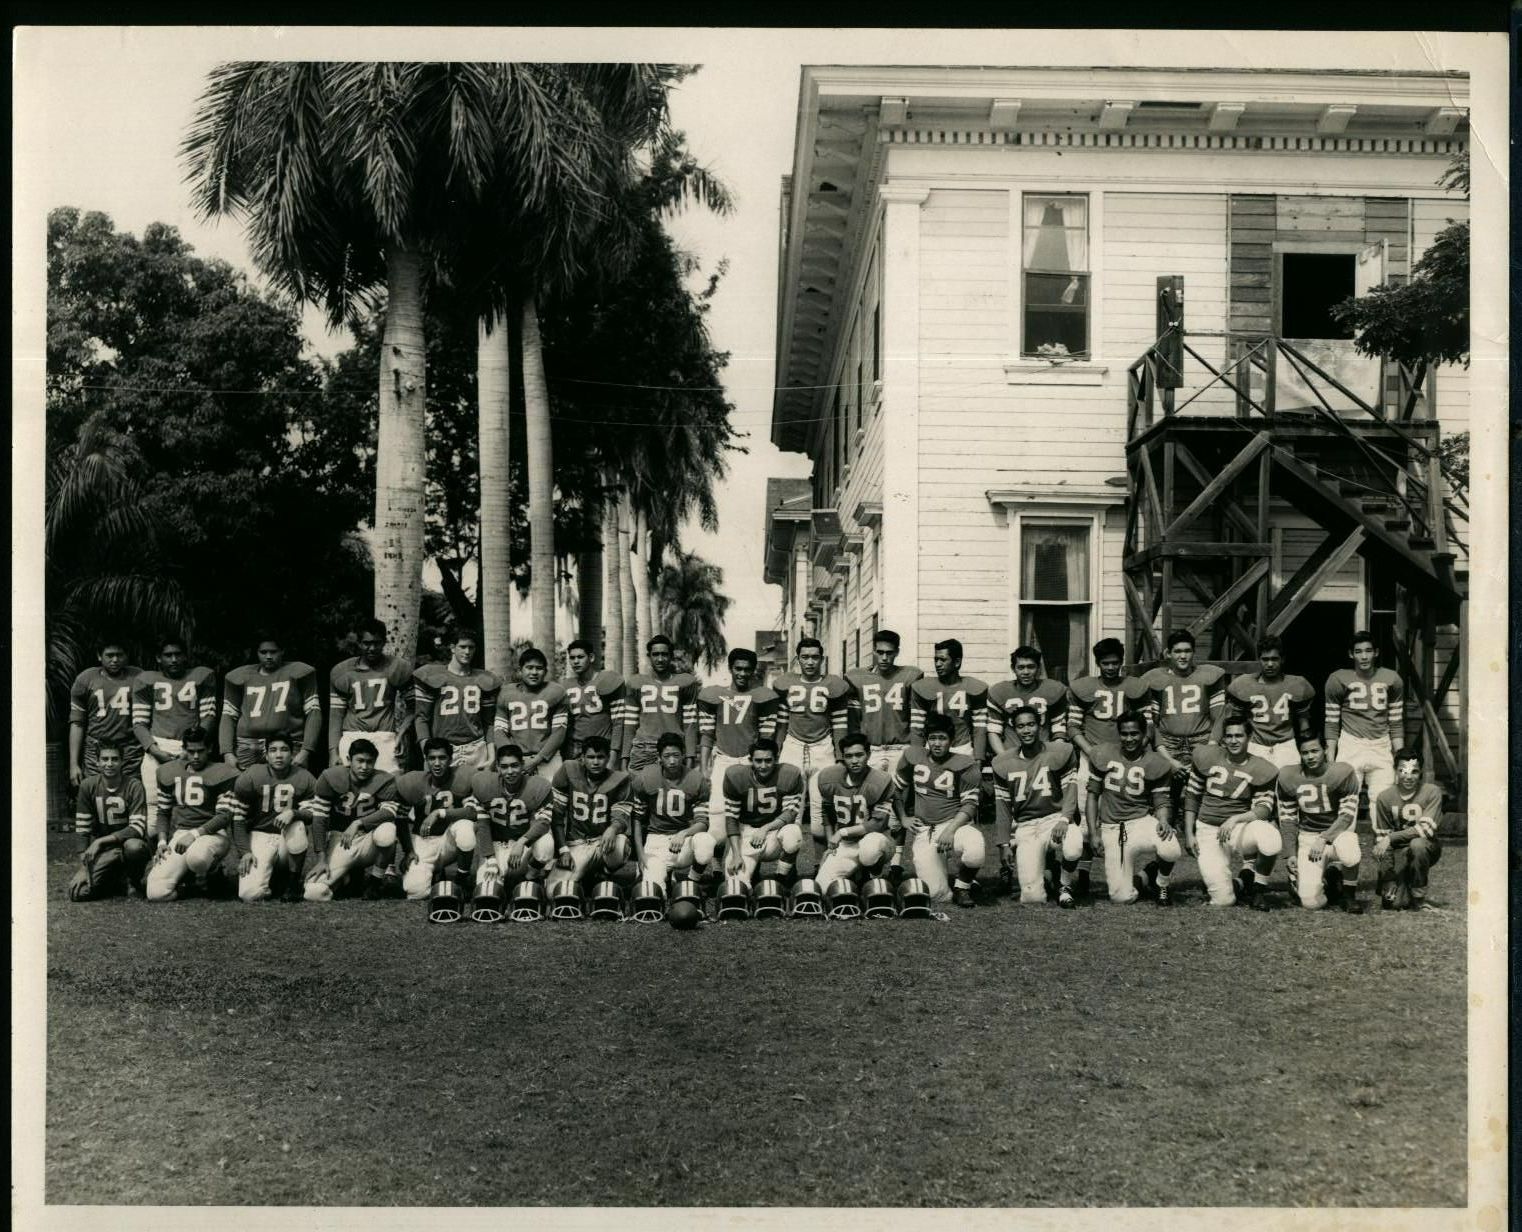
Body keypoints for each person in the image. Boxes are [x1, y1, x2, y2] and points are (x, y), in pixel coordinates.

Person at [1067, 639, 1149, 896]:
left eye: (1115, 662)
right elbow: (1073, 727)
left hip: (1124, 761)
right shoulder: (1084, 688)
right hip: (1091, 758)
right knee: (1086, 816)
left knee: (1120, 816)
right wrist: (1092, 752)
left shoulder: (1134, 688)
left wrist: (1133, 754)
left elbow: (1148, 726)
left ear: (1121, 661)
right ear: (1098, 663)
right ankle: (1083, 872)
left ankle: (1127, 869)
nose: (1111, 668)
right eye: (1106, 663)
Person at [1180, 716, 1282, 909]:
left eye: (1239, 735)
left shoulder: (1261, 767)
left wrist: (1235, 819)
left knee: (1271, 838)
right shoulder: (1206, 757)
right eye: (1229, 736)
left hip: (1238, 829)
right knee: (1223, 901)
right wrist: (1188, 833)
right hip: (1208, 829)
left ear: (1249, 737)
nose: (1233, 741)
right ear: (1223, 738)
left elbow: (1264, 808)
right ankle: (1242, 881)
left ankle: (1258, 890)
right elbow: (1192, 796)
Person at [989, 706, 1082, 908]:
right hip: (1026, 825)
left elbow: (1070, 790)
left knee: (1074, 845)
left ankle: (1065, 886)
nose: (1026, 730)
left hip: (1054, 818)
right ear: (1014, 729)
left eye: (1031, 724)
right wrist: (1004, 844)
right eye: (1021, 726)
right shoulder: (1003, 762)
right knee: (1032, 898)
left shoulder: (1060, 751)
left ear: (1040, 726)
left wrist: (1065, 819)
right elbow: (1003, 807)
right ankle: (1050, 872)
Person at [1084, 712, 1180, 906]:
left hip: (1140, 822)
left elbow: (1161, 800)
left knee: (1171, 848)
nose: (1129, 739)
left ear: (1145, 734)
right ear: (1118, 734)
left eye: (1134, 733)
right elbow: (1092, 796)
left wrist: (1162, 820)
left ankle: (1162, 884)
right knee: (1121, 897)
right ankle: (1147, 875)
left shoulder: (1156, 762)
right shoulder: (1103, 754)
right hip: (1112, 828)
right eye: (1124, 734)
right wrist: (1094, 833)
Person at [894, 713, 985, 908]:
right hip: (925, 829)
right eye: (932, 738)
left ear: (951, 740)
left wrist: (950, 831)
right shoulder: (913, 755)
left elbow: (970, 804)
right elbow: (895, 789)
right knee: (937, 895)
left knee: (976, 849)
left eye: (942, 738)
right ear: (926, 739)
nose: (937, 743)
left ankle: (963, 886)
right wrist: (903, 817)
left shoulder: (965, 763)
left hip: (955, 825)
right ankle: (950, 880)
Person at [771, 636, 851, 857]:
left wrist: (840, 756)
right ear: (797, 659)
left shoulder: (833, 685)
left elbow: (840, 724)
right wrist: (776, 751)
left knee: (820, 813)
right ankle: (786, 870)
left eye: (815, 657)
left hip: (822, 747)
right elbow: (781, 723)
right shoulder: (786, 683)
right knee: (790, 812)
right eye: (805, 657)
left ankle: (820, 866)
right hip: (793, 745)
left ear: (822, 659)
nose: (810, 662)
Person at [226, 732, 323, 903]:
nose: (279, 755)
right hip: (259, 835)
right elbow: (238, 819)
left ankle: (293, 883)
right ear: (266, 754)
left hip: (287, 836)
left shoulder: (304, 776)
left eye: (284, 750)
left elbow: (316, 812)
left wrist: (294, 813)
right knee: (249, 894)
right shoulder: (251, 775)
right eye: (273, 750)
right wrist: (245, 852)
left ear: (292, 753)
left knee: (298, 825)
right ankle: (275, 879)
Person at [697, 649, 781, 846]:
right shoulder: (715, 695)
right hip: (723, 759)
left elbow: (766, 738)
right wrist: (703, 768)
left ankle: (753, 862)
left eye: (747, 670)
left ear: (753, 671)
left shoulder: (762, 697)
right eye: (738, 669)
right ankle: (717, 865)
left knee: (752, 812)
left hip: (750, 761)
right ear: (731, 668)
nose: (742, 674)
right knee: (717, 814)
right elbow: (707, 735)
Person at [145, 725, 239, 901]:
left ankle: (214, 872)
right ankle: (188, 885)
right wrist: (162, 842)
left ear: (210, 749)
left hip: (212, 833)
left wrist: (194, 835)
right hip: (181, 834)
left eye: (200, 751)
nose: (195, 756)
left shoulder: (223, 772)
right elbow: (163, 812)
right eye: (191, 751)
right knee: (155, 892)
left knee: (198, 857)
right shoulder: (169, 771)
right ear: (183, 749)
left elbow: (224, 816)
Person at [303, 739, 403, 900]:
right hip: (341, 840)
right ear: (349, 760)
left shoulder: (385, 780)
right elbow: (319, 819)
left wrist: (358, 823)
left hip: (368, 839)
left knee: (387, 831)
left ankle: (375, 882)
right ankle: (346, 878)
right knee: (313, 892)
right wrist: (321, 859)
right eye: (360, 761)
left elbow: (389, 812)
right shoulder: (330, 777)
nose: (364, 767)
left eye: (369, 762)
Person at [1275, 733, 1364, 913]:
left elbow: (1347, 816)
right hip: (1308, 837)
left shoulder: (1342, 772)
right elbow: (1288, 818)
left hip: (1337, 834)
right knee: (1311, 902)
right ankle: (1329, 883)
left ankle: (1349, 895)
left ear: (1325, 750)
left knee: (1350, 851)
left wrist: (1324, 838)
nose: (1310, 757)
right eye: (1305, 753)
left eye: (1315, 751)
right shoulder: (1288, 776)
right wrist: (1291, 853)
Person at [1325, 630, 1406, 820]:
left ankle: (1382, 846)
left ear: (1376, 653)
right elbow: (1331, 721)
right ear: (1351, 654)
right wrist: (1330, 755)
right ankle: (1344, 847)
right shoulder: (1338, 679)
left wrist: (1400, 756)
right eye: (1359, 651)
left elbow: (1395, 721)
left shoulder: (1392, 678)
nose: (1364, 656)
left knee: (1383, 801)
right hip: (1351, 743)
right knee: (1347, 803)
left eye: (1368, 651)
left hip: (1381, 744)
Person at [1141, 629, 1227, 807]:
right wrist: (1167, 758)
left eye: (1187, 651)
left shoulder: (1208, 676)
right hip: (1168, 741)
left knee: (1202, 793)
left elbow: (1219, 717)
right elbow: (1152, 723)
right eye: (1178, 651)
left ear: (1194, 652)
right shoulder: (1156, 679)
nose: (1183, 656)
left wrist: (1210, 748)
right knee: (1164, 794)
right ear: (1168, 653)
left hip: (1201, 739)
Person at [548, 736, 638, 897]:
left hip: (602, 842)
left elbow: (621, 817)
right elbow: (557, 816)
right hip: (577, 843)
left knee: (621, 843)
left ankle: (603, 872)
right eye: (591, 757)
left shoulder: (620, 779)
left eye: (600, 757)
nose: (595, 762)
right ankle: (589, 876)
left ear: (608, 758)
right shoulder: (568, 770)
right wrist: (563, 850)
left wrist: (613, 828)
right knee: (553, 892)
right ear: (582, 758)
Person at [131, 635, 217, 803]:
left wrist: (193, 748)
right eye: (168, 655)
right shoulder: (146, 680)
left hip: (193, 747)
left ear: (186, 656)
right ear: (158, 658)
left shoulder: (201, 676)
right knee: (153, 805)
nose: (174, 659)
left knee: (191, 804)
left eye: (178, 654)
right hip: (157, 746)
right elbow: (139, 723)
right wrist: (155, 751)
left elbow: (209, 717)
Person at [393, 737, 481, 900]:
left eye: (442, 758)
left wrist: (440, 813)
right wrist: (408, 850)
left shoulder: (462, 777)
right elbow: (400, 819)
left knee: (465, 828)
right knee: (415, 892)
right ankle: (434, 873)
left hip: (449, 840)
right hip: (423, 841)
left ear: (450, 759)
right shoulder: (414, 782)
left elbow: (472, 812)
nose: (437, 763)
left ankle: (462, 878)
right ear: (426, 760)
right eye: (432, 758)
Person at [464, 743, 555, 897]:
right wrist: (491, 860)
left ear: (523, 765)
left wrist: (522, 842)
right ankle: (506, 878)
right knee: (487, 894)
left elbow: (544, 823)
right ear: (497, 767)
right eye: (504, 767)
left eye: (514, 766)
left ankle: (531, 877)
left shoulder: (538, 786)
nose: (510, 771)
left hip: (523, 846)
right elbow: (483, 825)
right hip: (497, 846)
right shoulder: (485, 785)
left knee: (546, 844)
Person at [219, 634, 321, 771]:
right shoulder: (239, 677)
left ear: (282, 651)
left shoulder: (299, 672)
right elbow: (228, 716)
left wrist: (306, 750)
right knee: (244, 788)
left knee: (288, 788)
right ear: (256, 653)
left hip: (287, 743)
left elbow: (313, 712)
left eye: (273, 652)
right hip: (248, 744)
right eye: (263, 652)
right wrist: (227, 752)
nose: (268, 656)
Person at [629, 732, 718, 887]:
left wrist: (683, 833)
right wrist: (640, 855)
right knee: (653, 887)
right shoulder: (646, 778)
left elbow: (703, 823)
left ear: (683, 755)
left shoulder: (696, 779)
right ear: (659, 757)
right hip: (656, 839)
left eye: (676, 755)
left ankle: (693, 880)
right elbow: (637, 819)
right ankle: (665, 874)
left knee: (706, 842)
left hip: (683, 841)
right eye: (667, 756)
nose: (672, 761)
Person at [328, 618, 413, 773]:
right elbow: (335, 716)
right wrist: (333, 752)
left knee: (390, 786)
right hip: (352, 735)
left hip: (385, 736)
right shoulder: (342, 672)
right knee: (347, 788)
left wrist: (402, 733)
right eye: (367, 643)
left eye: (377, 643)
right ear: (359, 643)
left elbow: (414, 707)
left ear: (384, 642)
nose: (372, 648)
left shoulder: (396, 667)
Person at [68, 741, 150, 901]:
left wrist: (99, 841)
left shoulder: (134, 785)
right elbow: (82, 828)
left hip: (128, 844)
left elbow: (137, 828)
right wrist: (84, 868)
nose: (109, 764)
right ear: (97, 762)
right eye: (104, 759)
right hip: (106, 850)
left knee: (134, 847)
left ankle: (133, 879)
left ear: (122, 761)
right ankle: (115, 878)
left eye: (114, 759)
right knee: (79, 893)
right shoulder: (87, 786)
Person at [412, 628, 502, 771]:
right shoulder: (432, 675)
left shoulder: (484, 679)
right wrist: (427, 752)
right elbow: (421, 718)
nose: (467, 652)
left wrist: (491, 756)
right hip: (442, 750)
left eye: (471, 648)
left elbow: (489, 722)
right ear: (452, 648)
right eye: (462, 647)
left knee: (479, 791)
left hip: (476, 748)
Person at [814, 733, 899, 884]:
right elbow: (827, 814)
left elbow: (877, 824)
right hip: (847, 844)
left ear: (869, 755)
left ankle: (875, 876)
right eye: (849, 756)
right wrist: (830, 844)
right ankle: (857, 874)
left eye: (859, 755)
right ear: (843, 758)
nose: (854, 761)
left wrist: (841, 832)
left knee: (870, 849)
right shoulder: (829, 778)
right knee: (822, 884)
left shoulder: (881, 780)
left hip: (876, 839)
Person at [721, 739, 806, 884]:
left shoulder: (790, 774)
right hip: (747, 833)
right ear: (750, 760)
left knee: (793, 833)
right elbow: (731, 819)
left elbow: (790, 813)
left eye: (768, 760)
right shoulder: (735, 776)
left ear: (776, 759)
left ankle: (782, 877)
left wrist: (765, 828)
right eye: (758, 761)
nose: (763, 766)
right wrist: (736, 854)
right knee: (736, 885)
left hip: (775, 831)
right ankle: (752, 870)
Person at [1225, 635, 1315, 769]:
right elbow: (1235, 723)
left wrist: (1307, 749)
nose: (1270, 664)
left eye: (1274, 659)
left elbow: (1304, 725)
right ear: (1258, 660)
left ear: (1282, 659)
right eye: (1265, 659)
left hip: (1286, 745)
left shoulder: (1297, 684)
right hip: (1255, 745)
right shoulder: (1243, 684)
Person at [1372, 747, 1444, 911]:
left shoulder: (1432, 791)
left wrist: (1391, 838)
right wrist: (1388, 877)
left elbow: (1425, 830)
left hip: (1426, 847)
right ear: (1395, 770)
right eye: (1403, 771)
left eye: (1414, 771)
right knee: (1394, 904)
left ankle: (1419, 896)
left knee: (1417, 844)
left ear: (1421, 772)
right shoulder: (1385, 797)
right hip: (1399, 852)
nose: (1408, 776)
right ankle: (1401, 885)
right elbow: (1382, 840)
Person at [845, 629, 924, 775]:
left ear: (897, 652)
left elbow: (917, 719)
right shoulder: (857, 677)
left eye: (889, 653)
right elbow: (853, 721)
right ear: (874, 651)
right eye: (880, 652)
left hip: (901, 748)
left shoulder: (910, 675)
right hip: (871, 750)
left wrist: (916, 749)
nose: (884, 658)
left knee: (900, 795)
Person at [68, 640, 143, 787]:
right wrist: (73, 764)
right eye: (109, 655)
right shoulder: (85, 679)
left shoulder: (138, 677)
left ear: (126, 656)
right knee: (97, 794)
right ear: (99, 656)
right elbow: (77, 723)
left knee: (131, 793)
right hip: (96, 747)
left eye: (119, 655)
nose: (115, 660)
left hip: (130, 748)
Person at [621, 635, 699, 773]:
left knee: (673, 792)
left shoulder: (685, 682)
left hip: (674, 748)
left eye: (664, 654)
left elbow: (690, 723)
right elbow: (629, 724)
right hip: (643, 748)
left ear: (671, 656)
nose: (660, 659)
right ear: (649, 656)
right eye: (656, 654)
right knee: (639, 791)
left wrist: (691, 757)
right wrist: (624, 759)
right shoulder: (636, 683)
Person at [495, 648, 571, 779]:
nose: (534, 672)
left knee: (554, 796)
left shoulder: (556, 692)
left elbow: (559, 733)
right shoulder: (506, 693)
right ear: (520, 670)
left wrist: (537, 760)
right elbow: (499, 731)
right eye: (529, 667)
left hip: (548, 757)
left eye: (539, 668)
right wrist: (513, 758)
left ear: (546, 671)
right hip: (515, 760)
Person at [987, 646, 1071, 753]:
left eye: (1031, 667)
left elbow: (1059, 729)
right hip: (1011, 752)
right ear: (1013, 668)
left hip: (1043, 753)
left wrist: (1052, 756)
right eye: (1021, 667)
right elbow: (994, 731)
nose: (1026, 672)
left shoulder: (1053, 689)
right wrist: (1004, 758)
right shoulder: (999, 692)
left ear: (1038, 668)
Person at [560, 639, 626, 763]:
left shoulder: (607, 681)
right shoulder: (566, 685)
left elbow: (618, 722)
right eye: (572, 658)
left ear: (591, 657)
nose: (576, 661)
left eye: (580, 657)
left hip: (601, 748)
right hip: (575, 750)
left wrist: (612, 757)